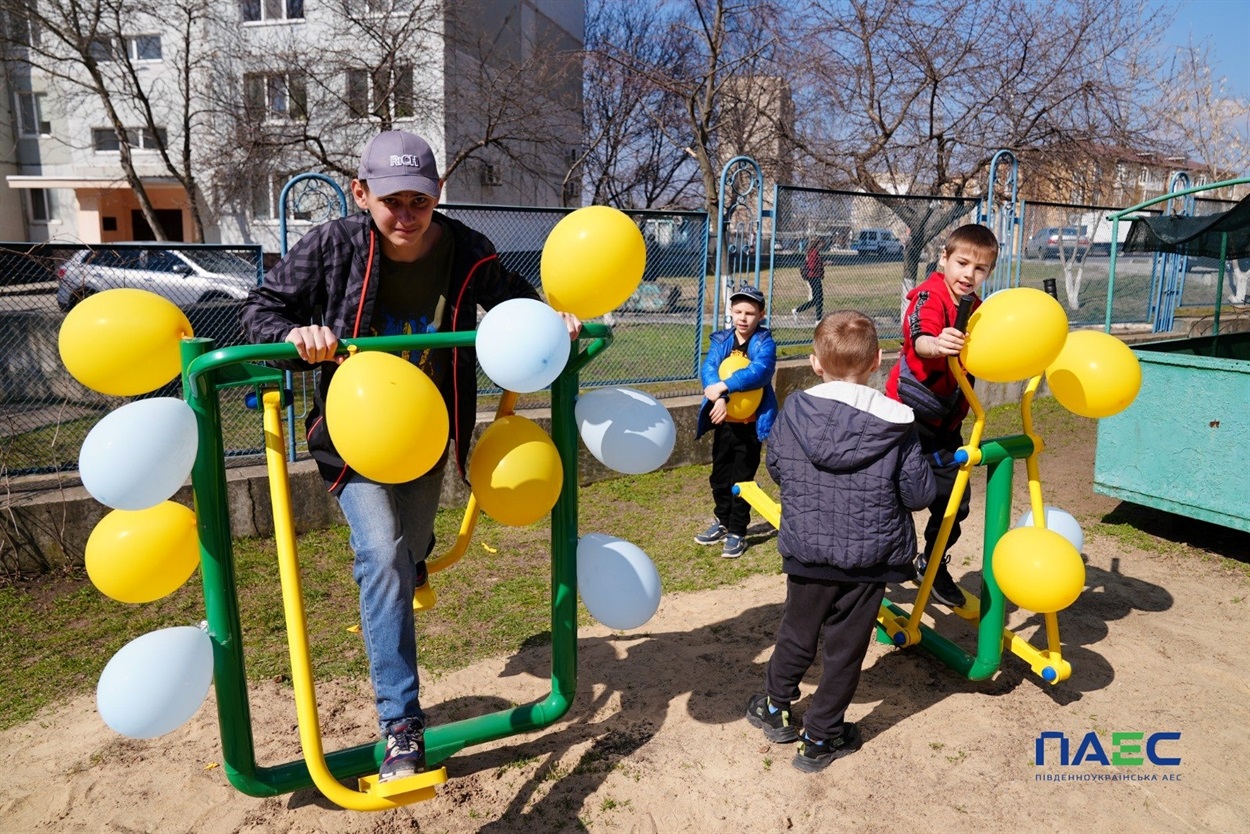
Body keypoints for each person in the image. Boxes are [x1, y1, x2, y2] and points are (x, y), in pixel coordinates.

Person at [240, 130, 580, 783]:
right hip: (352, 438)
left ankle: (413, 565)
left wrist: (549, 317)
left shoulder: (466, 250)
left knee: (413, 545)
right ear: (360, 194)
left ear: (437, 197)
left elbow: (510, 300)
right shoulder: (335, 245)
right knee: (380, 552)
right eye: (390, 200)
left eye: (418, 202)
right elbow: (260, 307)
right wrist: (294, 334)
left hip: (427, 435)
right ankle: (402, 725)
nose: (404, 215)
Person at [747, 310, 936, 773]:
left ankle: (775, 705)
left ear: (815, 363)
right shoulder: (898, 424)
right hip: (868, 559)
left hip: (808, 552)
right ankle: (820, 736)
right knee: (845, 649)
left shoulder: (793, 412)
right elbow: (918, 494)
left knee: (797, 631)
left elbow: (777, 468)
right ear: (876, 362)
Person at [884, 223, 997, 607]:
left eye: (980, 269)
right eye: (962, 263)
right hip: (906, 418)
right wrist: (938, 343)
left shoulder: (979, 309)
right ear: (944, 259)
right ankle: (880, 558)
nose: (969, 274)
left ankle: (931, 565)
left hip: (947, 424)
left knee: (954, 501)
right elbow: (919, 335)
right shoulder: (928, 296)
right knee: (893, 493)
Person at [693, 283, 777, 558]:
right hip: (724, 421)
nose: (743, 317)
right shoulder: (721, 340)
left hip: (750, 426)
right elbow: (709, 369)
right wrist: (719, 397)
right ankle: (722, 521)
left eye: (750, 312)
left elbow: (759, 373)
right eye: (738, 311)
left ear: (761, 315)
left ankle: (738, 531)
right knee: (719, 476)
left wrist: (724, 387)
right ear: (731, 311)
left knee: (743, 480)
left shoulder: (765, 343)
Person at [793, 239, 825, 319]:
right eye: (821, 244)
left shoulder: (815, 252)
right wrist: (823, 264)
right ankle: (818, 319)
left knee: (816, 300)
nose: (822, 246)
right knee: (819, 299)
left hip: (816, 276)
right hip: (813, 277)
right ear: (817, 244)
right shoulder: (813, 252)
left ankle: (797, 310)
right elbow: (811, 266)